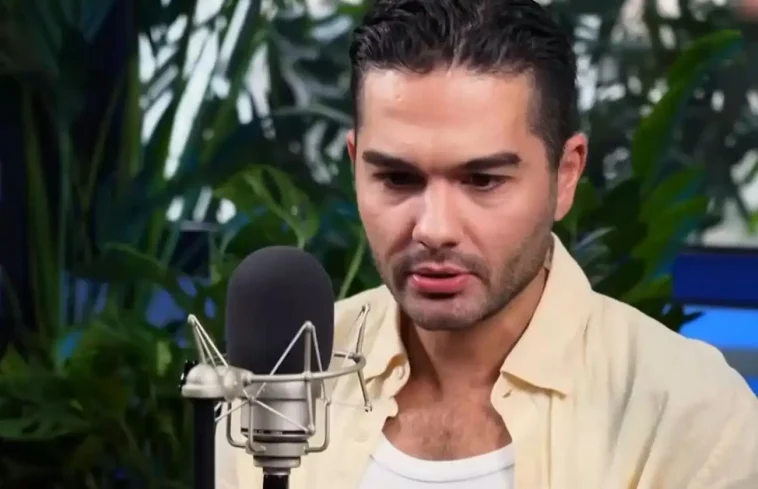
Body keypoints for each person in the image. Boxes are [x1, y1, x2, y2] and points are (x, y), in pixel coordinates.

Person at [217, 0, 758, 487]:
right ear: (356, 164)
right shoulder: (285, 376)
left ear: (565, 175)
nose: (434, 228)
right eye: (397, 179)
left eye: (482, 180)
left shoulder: (686, 413)